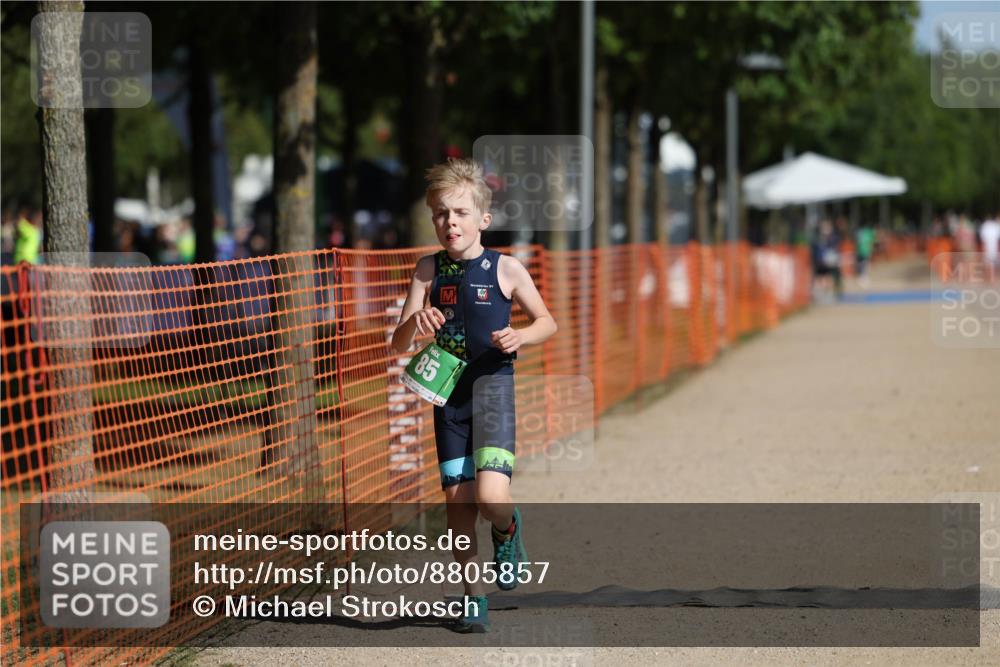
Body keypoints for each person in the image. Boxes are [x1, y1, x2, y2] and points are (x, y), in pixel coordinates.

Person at [390, 158, 557, 633]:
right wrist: (413, 323)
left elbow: (548, 322)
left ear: (483, 219)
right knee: (458, 508)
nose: (450, 223)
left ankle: (508, 528)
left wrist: (521, 337)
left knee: (489, 497)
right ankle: (472, 598)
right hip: (448, 399)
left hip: (493, 392)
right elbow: (398, 344)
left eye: (461, 213)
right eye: (441, 214)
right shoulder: (427, 270)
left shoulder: (505, 268)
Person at [855, 222, 876, 288]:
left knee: (863, 264)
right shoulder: (869, 232)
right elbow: (871, 242)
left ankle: (863, 277)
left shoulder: (860, 232)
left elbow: (858, 241)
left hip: (861, 251)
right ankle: (863, 277)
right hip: (864, 251)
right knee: (864, 264)